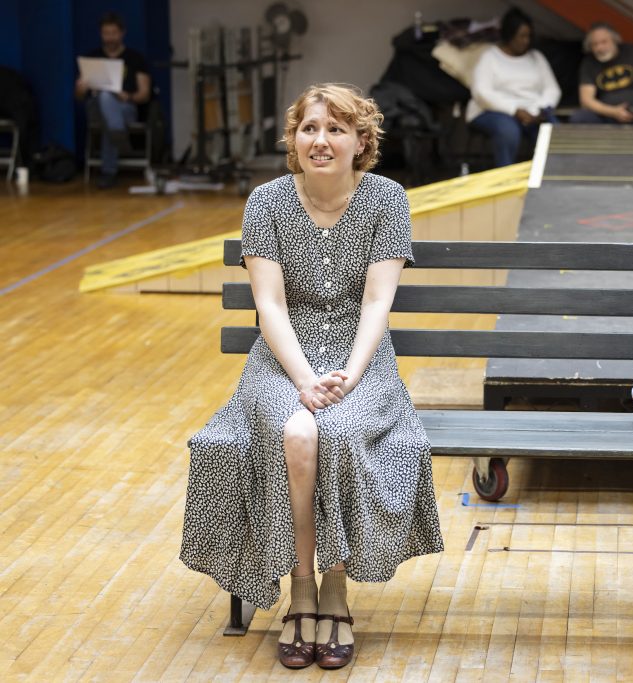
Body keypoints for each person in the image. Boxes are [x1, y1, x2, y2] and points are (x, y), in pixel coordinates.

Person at [179, 83, 444, 671]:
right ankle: (302, 589)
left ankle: (336, 591)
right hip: (282, 357)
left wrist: (349, 372)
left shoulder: (387, 199)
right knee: (296, 434)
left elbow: (377, 303)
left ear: (361, 142)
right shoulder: (267, 202)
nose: (320, 141)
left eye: (335, 130)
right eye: (308, 129)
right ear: (294, 141)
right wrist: (303, 378)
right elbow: (270, 307)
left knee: (343, 434)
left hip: (360, 357)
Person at [468, 7, 561, 167]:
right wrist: (514, 110)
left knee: (553, 130)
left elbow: (552, 89)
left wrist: (538, 110)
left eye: (529, 36)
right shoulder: (490, 57)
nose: (526, 40)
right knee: (508, 130)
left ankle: (551, 178)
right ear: (509, 35)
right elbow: (482, 92)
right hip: (494, 111)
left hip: (533, 111)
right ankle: (505, 179)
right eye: (521, 36)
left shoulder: (536, 57)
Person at [74, 12, 151, 189]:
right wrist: (81, 87)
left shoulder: (135, 58)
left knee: (109, 104)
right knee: (103, 97)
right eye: (106, 33)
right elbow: (78, 97)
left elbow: (144, 94)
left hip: (126, 108)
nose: (109, 38)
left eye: (113, 33)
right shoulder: (92, 58)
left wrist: (128, 96)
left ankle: (108, 171)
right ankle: (118, 135)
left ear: (122, 33)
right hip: (96, 108)